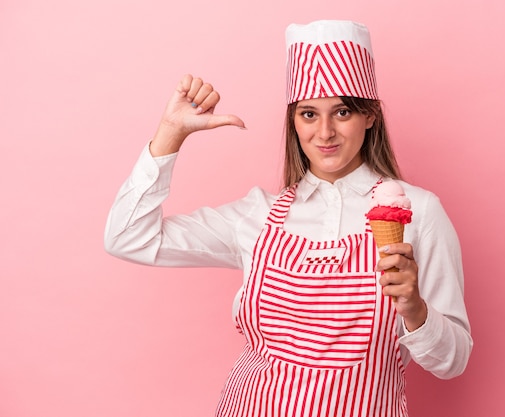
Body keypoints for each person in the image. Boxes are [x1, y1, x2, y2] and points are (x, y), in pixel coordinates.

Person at [105, 19, 472, 417]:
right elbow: (128, 237)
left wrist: (416, 310)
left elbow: (453, 361)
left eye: (343, 111)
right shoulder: (258, 215)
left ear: (369, 117)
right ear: (294, 122)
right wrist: (170, 134)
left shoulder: (418, 213)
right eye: (309, 114)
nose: (325, 132)